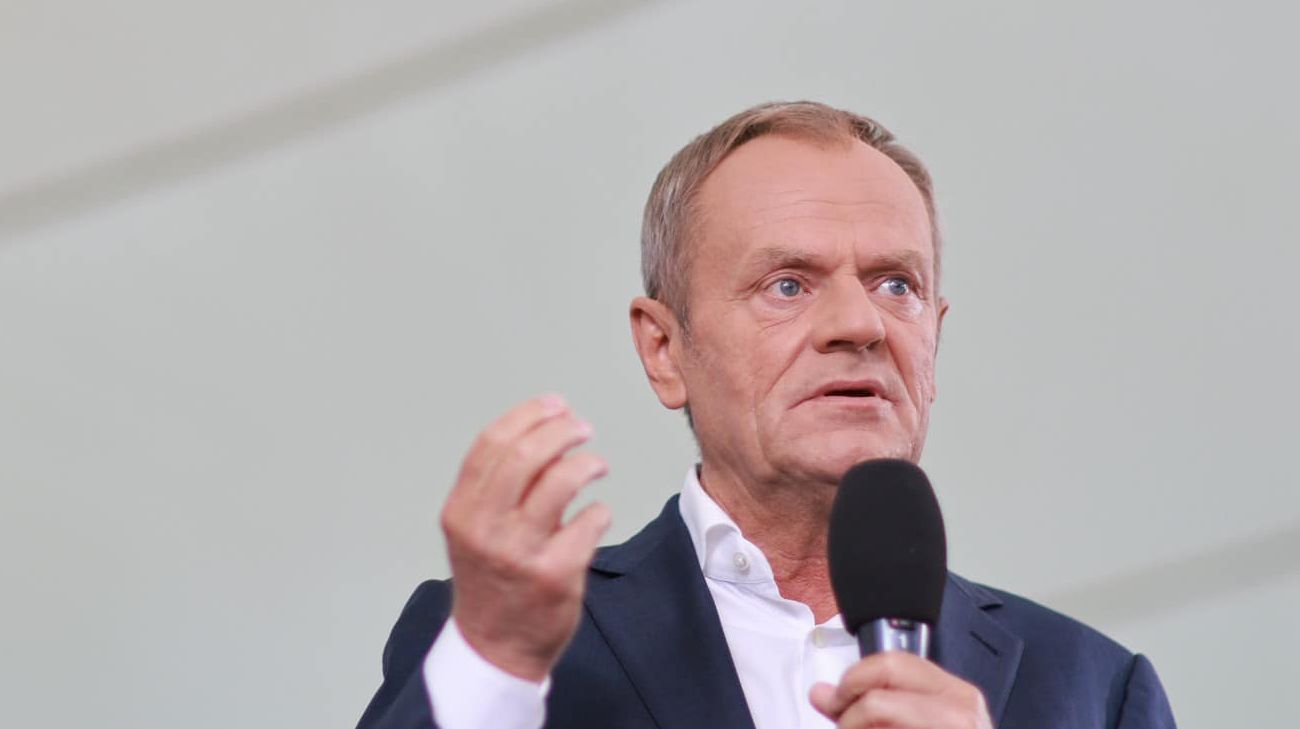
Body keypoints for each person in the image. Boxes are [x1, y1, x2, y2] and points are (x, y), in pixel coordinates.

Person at [356, 101, 1177, 729]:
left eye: (896, 284)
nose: (859, 323)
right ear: (664, 349)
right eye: (788, 284)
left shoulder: (1094, 690)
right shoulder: (511, 642)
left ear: (936, 336)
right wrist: (495, 663)